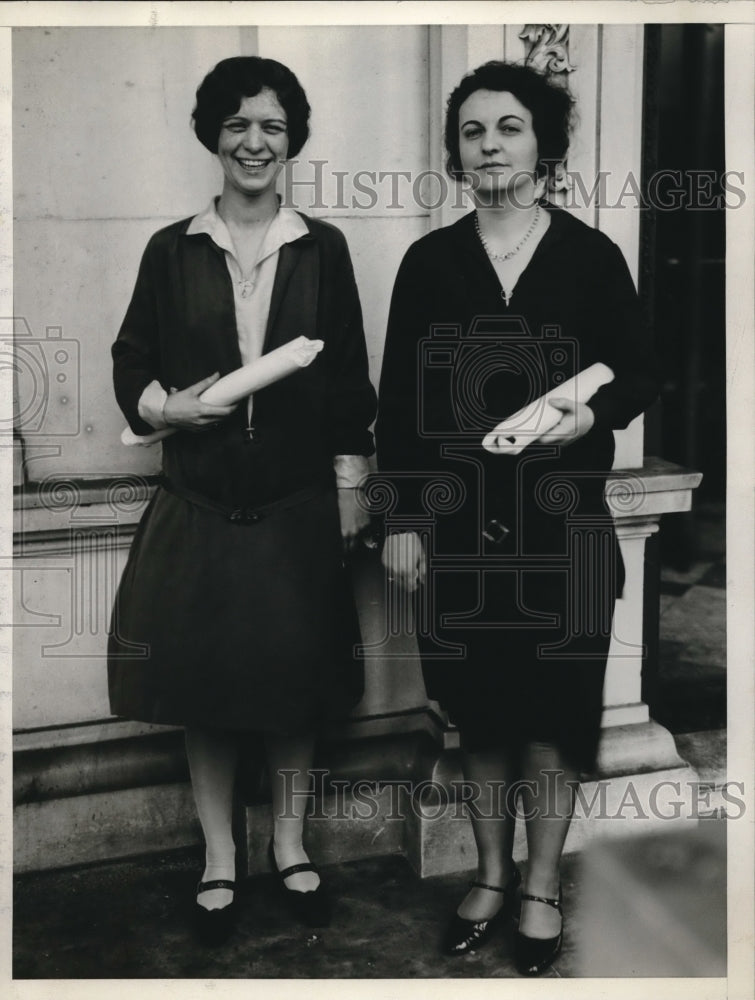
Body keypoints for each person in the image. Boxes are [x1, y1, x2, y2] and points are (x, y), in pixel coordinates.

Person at [375, 61, 659, 976]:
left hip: (562, 530)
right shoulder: (430, 263)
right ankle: (491, 874)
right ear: (455, 151)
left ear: (542, 142)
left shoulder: (589, 257)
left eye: (507, 126)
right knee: (481, 717)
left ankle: (540, 882)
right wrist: (404, 519)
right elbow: (399, 408)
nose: (489, 144)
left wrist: (595, 415)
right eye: (471, 130)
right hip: (458, 532)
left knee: (555, 715)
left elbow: (639, 370)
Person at [108, 56, 377, 945]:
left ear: (291, 137)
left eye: (270, 125)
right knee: (208, 689)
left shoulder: (321, 246)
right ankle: (219, 853)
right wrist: (163, 407)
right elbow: (131, 360)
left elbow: (346, 382)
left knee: (294, 686)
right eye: (236, 125)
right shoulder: (170, 248)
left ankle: (290, 845)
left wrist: (347, 489)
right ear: (212, 137)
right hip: (200, 500)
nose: (253, 141)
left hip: (296, 502)